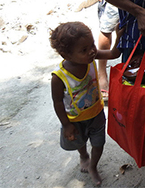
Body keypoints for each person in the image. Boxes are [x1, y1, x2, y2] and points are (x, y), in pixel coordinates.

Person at [49, 21, 123, 186]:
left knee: (99, 143)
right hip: (75, 120)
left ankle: (93, 166)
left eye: (92, 45)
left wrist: (118, 36)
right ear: (65, 55)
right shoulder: (58, 77)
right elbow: (57, 103)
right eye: (84, 49)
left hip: (96, 114)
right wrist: (66, 124)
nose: (91, 51)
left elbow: (113, 53)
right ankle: (83, 156)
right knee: (79, 142)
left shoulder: (92, 57)